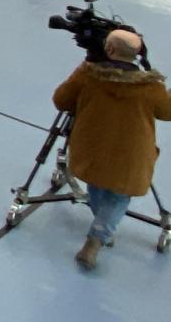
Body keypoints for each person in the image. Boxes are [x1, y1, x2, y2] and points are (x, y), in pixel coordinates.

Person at [52, 30, 171, 269]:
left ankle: (103, 229)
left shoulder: (88, 75)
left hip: (92, 148)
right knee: (118, 196)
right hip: (130, 155)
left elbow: (61, 100)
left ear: (109, 49)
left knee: (96, 184)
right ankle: (96, 239)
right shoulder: (150, 86)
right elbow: (167, 112)